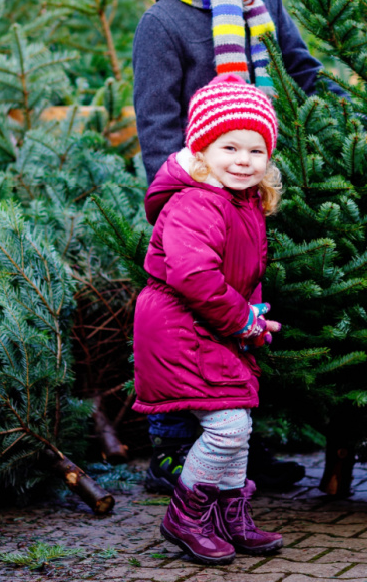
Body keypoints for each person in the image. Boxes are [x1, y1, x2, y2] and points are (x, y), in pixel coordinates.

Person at [133, 0, 322, 494]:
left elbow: (302, 73)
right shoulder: (163, 23)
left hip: (259, 186)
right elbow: (157, 123)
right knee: (193, 316)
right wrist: (181, 196)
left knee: (248, 312)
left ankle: (240, 448)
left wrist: (360, 115)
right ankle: (173, 448)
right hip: (199, 198)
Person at [133, 75, 285, 565]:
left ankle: (227, 515)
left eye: (256, 150)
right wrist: (242, 320)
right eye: (230, 147)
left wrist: (255, 317)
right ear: (201, 149)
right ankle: (187, 515)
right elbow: (194, 274)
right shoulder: (198, 200)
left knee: (237, 422)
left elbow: (243, 274)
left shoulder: (242, 201)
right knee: (227, 427)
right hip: (180, 327)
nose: (244, 160)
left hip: (212, 326)